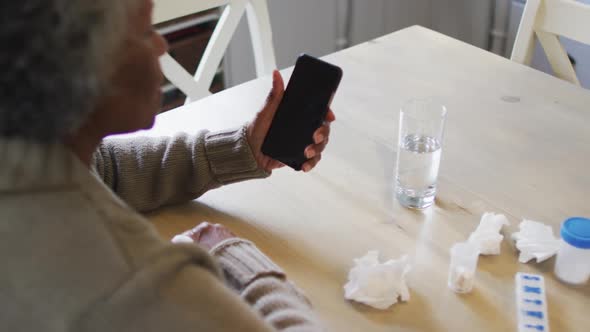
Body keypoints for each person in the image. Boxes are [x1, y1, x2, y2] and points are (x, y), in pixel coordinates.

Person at [0, 0, 334, 331]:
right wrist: (235, 259)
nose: (162, 44)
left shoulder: (32, 150)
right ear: (80, 67)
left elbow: (106, 169)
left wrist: (245, 148)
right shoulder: (131, 281)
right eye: (146, 32)